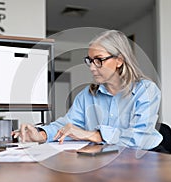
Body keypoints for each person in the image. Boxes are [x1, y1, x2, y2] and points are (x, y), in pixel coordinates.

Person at [12, 30, 162, 149]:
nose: (91, 67)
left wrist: (92, 135)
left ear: (119, 61)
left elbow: (139, 137)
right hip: (104, 158)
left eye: (99, 60)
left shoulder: (146, 91)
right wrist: (41, 135)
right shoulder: (87, 95)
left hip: (143, 158)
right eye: (90, 61)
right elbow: (68, 125)